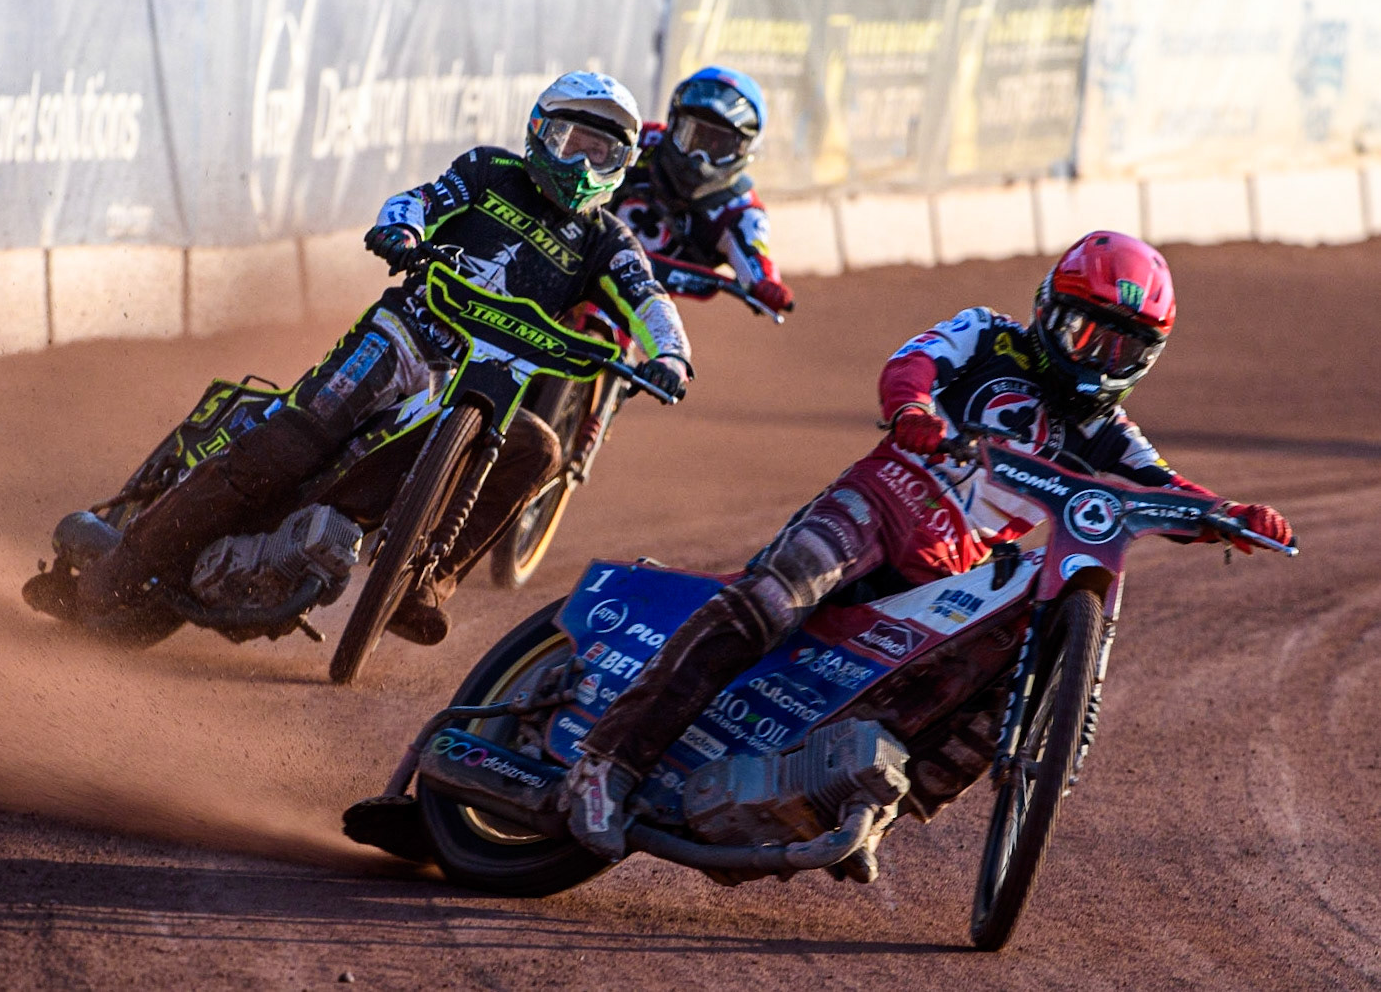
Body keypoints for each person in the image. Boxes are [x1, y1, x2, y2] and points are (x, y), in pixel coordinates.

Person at [563, 230, 1294, 861]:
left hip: (951, 575)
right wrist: (912, 408)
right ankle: (606, 764)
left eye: (1121, 346)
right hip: (885, 498)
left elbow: (1163, 488)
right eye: (1084, 332)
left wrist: (1231, 514)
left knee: (995, 679)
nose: (1097, 356)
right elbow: (912, 364)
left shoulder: (1110, 432)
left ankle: (866, 803)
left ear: (1145, 357)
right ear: (1049, 309)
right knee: (775, 597)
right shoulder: (987, 334)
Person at [76, 71, 692, 645]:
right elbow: (420, 200)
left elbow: (649, 298)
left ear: (621, 164)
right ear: (539, 133)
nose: (580, 165)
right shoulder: (490, 170)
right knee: (291, 444)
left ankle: (423, 584)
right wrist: (401, 231)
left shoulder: (607, 241)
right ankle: (120, 570)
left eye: (599, 153)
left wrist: (671, 354)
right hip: (404, 335)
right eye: (570, 143)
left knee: (540, 448)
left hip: (482, 381)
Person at [608, 65, 794, 314]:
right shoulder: (640, 142)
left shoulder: (740, 211)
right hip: (577, 255)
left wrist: (767, 285)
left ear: (745, 151)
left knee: (664, 335)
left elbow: (754, 258)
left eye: (719, 147)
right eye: (691, 136)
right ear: (672, 124)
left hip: (640, 305)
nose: (698, 158)